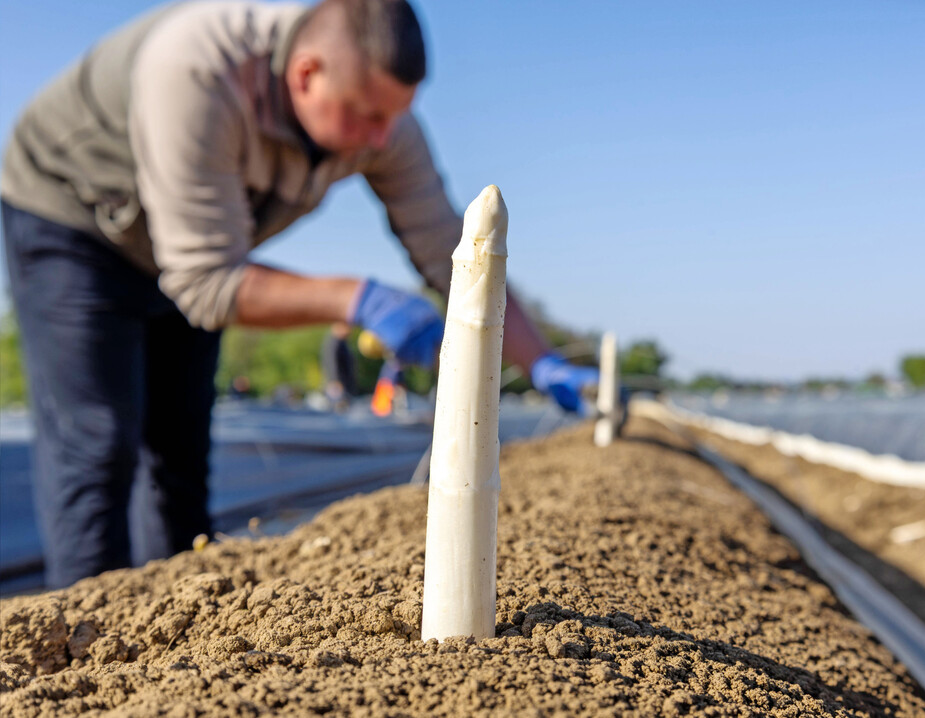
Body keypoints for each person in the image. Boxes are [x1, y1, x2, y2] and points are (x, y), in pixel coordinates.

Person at [1, 0, 597, 589]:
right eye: (367, 117)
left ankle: (166, 624)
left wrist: (537, 358)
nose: (382, 137)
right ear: (307, 75)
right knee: (99, 439)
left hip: (187, 246)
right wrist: (359, 299)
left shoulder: (382, 118)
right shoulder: (196, 72)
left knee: (180, 445)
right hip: (74, 223)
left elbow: (456, 251)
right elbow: (206, 282)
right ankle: (81, 642)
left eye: (394, 118)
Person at [321, 322, 360, 409]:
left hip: (344, 384)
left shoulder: (342, 343)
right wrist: (335, 379)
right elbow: (331, 362)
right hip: (337, 384)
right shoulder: (334, 343)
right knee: (339, 409)